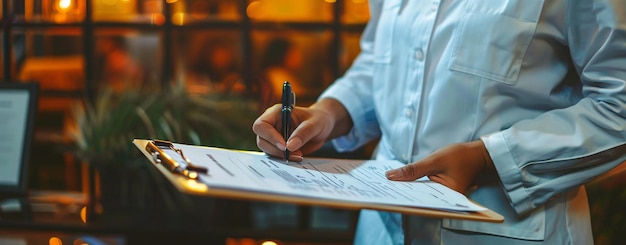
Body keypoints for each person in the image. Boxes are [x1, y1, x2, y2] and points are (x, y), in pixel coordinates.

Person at [252, 1, 626, 244]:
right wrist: (329, 113)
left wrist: (488, 159)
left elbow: (618, 104)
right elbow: (379, 61)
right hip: (381, 227)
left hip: (504, 229)